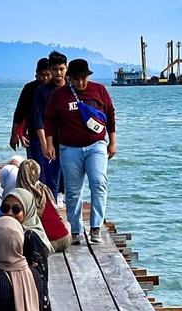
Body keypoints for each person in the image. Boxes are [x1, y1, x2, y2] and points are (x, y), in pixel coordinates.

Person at [41, 58, 117, 244]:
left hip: (96, 145)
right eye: (76, 79)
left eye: (84, 78)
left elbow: (110, 115)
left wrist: (112, 142)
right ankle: (75, 230)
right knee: (73, 190)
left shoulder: (99, 90)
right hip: (69, 148)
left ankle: (96, 227)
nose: (81, 82)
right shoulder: (59, 95)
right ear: (70, 78)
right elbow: (49, 120)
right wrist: (49, 144)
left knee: (99, 182)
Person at [30, 50, 69, 199]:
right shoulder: (41, 91)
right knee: (50, 176)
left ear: (66, 69)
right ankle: (51, 204)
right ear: (50, 70)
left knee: (69, 176)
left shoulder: (72, 89)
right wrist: (44, 143)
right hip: (50, 139)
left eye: (61, 69)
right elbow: (38, 118)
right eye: (55, 69)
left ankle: (63, 200)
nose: (58, 73)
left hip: (70, 140)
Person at [16, 158, 71, 252]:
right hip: (64, 239)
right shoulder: (44, 188)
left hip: (44, 244)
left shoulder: (20, 194)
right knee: (66, 223)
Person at [10, 57, 51, 155]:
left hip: (54, 134)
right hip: (34, 134)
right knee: (36, 163)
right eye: (42, 75)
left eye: (47, 75)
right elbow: (19, 113)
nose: (45, 78)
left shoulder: (57, 88)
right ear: (36, 75)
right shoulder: (29, 88)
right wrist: (14, 135)